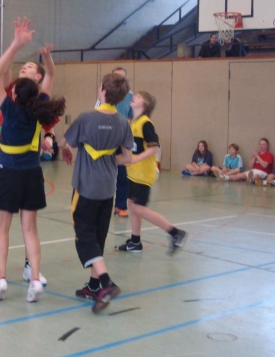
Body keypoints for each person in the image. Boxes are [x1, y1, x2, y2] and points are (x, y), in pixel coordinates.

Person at [0, 16, 66, 302]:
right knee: (30, 230)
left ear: (15, 93)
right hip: (32, 173)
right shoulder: (40, 107)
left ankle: (2, 280)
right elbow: (50, 77)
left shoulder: (9, 107)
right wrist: (46, 58)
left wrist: (16, 44)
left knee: (2, 228)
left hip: (9, 173)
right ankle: (34, 280)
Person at [57, 73, 133, 313]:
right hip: (108, 188)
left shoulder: (86, 118)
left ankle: (106, 283)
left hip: (86, 188)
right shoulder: (123, 123)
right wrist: (108, 159)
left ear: (102, 91)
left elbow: (62, 142)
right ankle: (93, 286)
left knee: (85, 236)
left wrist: (64, 148)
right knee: (98, 235)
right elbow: (127, 158)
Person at [115, 92, 187, 255]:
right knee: (131, 206)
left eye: (139, 96)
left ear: (145, 104)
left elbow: (154, 147)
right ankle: (135, 242)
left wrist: (136, 158)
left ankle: (175, 233)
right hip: (133, 172)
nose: (134, 97)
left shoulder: (145, 123)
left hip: (143, 173)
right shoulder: (131, 122)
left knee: (137, 208)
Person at [95, 67, 134, 217]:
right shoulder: (104, 94)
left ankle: (120, 206)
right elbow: (97, 112)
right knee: (103, 171)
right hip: (105, 137)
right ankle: (100, 204)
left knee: (123, 174)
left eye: (121, 78)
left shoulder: (130, 97)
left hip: (121, 137)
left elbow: (131, 117)